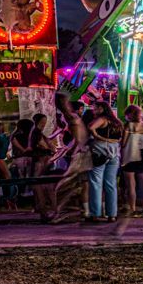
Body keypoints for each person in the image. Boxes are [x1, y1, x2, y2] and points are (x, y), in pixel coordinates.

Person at [51, 94, 92, 224]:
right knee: (77, 185)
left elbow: (79, 139)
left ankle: (64, 212)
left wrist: (73, 149)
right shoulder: (73, 118)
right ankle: (78, 210)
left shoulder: (71, 117)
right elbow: (78, 138)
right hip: (82, 153)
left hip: (81, 155)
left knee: (63, 186)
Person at [86, 100, 122, 223]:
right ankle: (112, 214)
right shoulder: (117, 122)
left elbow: (91, 127)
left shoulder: (102, 119)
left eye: (95, 108)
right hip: (114, 153)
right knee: (111, 184)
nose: (93, 110)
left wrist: (98, 136)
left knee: (96, 183)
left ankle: (95, 213)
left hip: (100, 152)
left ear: (101, 108)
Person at [120, 105, 143, 216]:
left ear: (130, 114)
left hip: (129, 156)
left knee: (131, 185)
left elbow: (123, 143)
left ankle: (133, 209)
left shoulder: (128, 126)